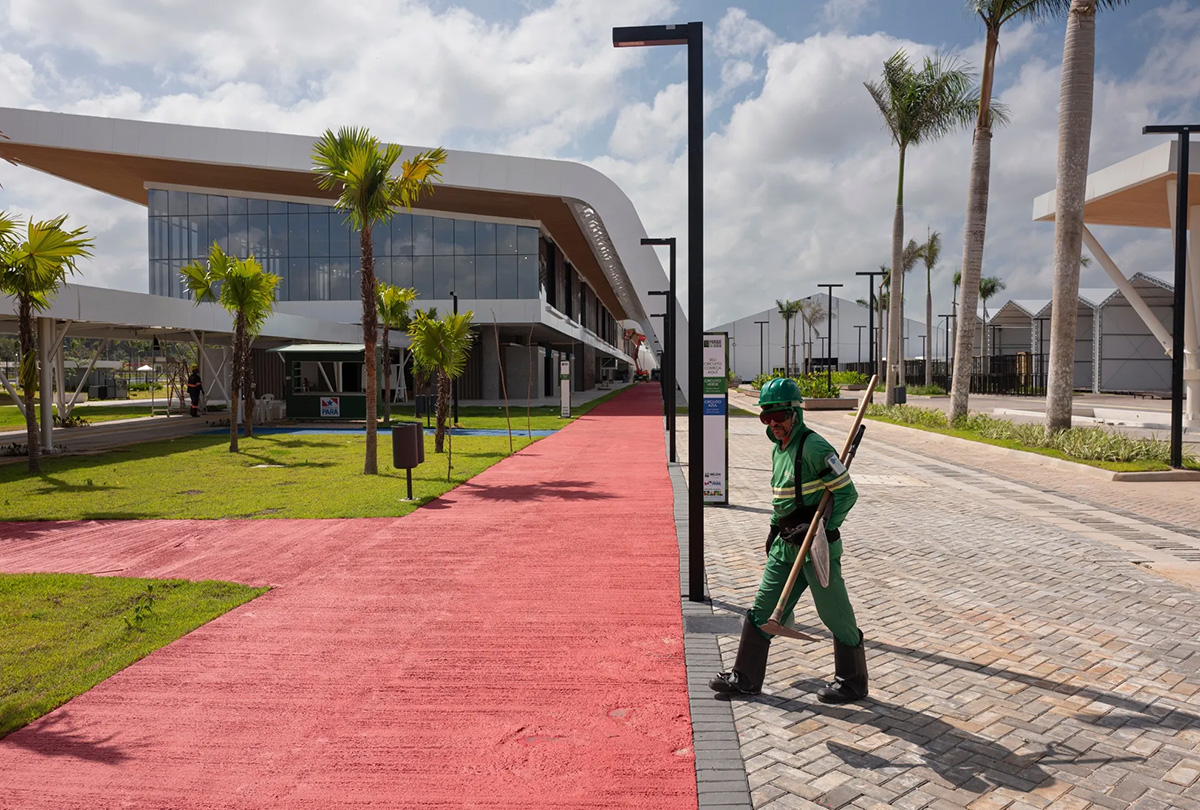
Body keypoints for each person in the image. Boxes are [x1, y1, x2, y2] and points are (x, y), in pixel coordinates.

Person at [709, 377, 867, 703]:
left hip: (816, 547)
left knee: (834, 616)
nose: (773, 423)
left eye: (778, 416)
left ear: (795, 412)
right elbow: (782, 498)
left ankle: (852, 681)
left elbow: (847, 493)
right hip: (786, 545)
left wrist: (824, 527)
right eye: (765, 417)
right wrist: (773, 527)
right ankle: (745, 677)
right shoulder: (778, 448)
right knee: (763, 609)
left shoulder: (814, 447)